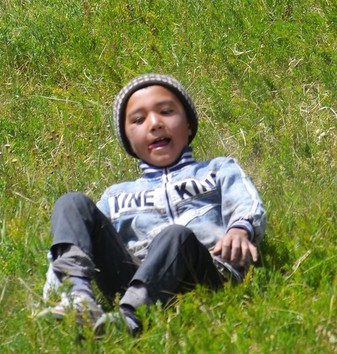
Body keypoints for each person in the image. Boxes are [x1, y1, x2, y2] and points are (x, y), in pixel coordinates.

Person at [37, 73, 266, 336]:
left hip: (202, 272)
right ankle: (76, 297)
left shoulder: (216, 170)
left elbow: (245, 200)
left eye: (166, 112)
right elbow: (81, 236)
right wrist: (54, 282)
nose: (155, 123)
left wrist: (240, 229)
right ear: (128, 140)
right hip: (133, 275)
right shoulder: (116, 195)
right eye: (138, 119)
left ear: (189, 124)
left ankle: (130, 319)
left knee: (175, 235)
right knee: (72, 203)